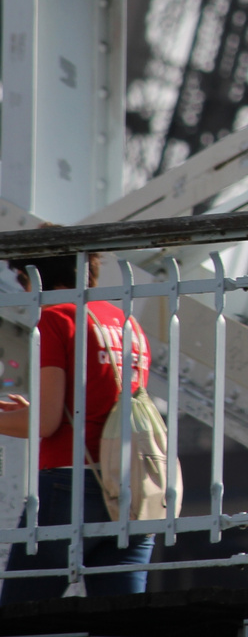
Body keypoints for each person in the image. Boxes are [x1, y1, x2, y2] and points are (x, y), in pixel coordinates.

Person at [0, 252, 155, 601]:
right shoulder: (126, 323)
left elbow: (46, 422)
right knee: (121, 615)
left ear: (41, 281)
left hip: (71, 483)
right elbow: (102, 402)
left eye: (24, 283)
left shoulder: (57, 319)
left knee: (21, 614)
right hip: (131, 482)